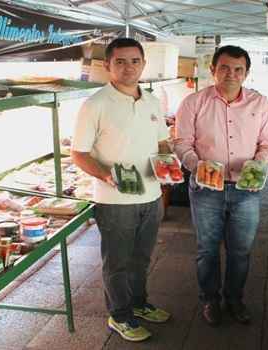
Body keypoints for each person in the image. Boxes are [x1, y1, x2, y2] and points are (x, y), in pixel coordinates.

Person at [71, 37, 171, 343]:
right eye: (121, 62)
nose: (129, 68)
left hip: (152, 196)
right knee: (118, 261)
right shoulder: (95, 104)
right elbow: (79, 153)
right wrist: (106, 176)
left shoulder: (152, 101)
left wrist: (169, 165)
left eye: (135, 61)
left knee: (141, 258)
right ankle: (120, 315)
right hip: (115, 201)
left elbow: (162, 142)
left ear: (143, 64)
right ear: (108, 65)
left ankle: (139, 303)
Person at [174, 45, 268, 326]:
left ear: (246, 73)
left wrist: (258, 164)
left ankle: (235, 299)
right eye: (224, 68)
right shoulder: (193, 102)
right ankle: (210, 299)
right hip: (207, 188)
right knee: (207, 248)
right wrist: (196, 165)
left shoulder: (259, 103)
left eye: (238, 69)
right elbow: (181, 142)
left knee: (241, 250)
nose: (231, 74)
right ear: (213, 70)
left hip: (246, 190)